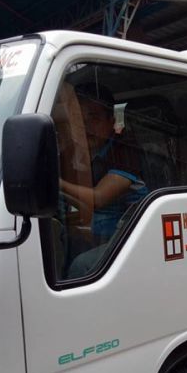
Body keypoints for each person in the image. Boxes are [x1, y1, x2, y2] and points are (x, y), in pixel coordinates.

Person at [60, 83, 147, 278]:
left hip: (130, 237)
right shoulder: (76, 153)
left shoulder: (124, 149)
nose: (85, 125)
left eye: (94, 118)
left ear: (111, 121)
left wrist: (55, 182)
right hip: (97, 234)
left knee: (80, 266)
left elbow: (98, 199)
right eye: (78, 119)